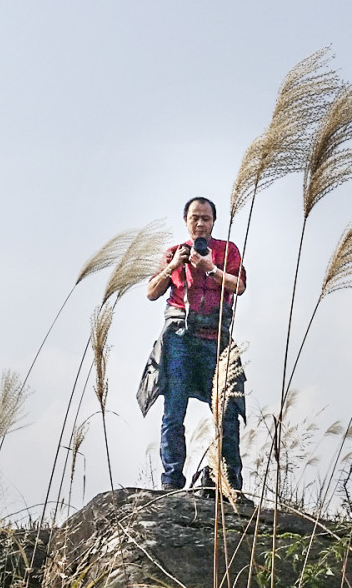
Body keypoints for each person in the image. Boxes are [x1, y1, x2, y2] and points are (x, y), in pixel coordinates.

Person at [146, 196, 247, 492]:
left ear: (214, 221)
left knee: (227, 411)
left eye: (205, 218)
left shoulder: (227, 251)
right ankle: (171, 481)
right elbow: (151, 292)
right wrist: (173, 265)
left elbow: (239, 286)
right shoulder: (172, 253)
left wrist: (210, 268)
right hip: (179, 337)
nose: (200, 223)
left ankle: (230, 483)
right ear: (186, 221)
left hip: (215, 339)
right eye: (195, 218)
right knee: (173, 410)